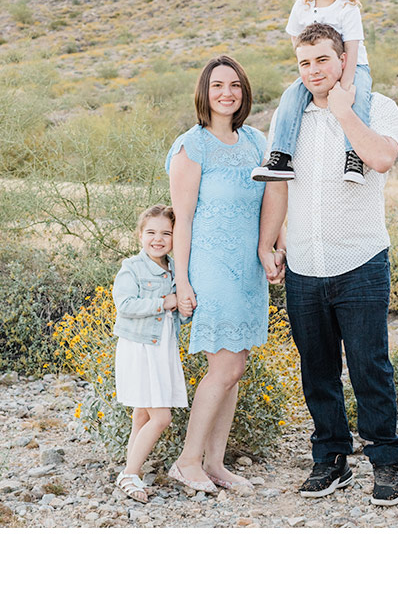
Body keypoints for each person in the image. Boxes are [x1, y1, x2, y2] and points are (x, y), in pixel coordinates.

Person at [258, 22, 398, 505]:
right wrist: (269, 245)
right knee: (316, 369)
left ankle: (385, 461)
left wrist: (345, 114)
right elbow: (278, 185)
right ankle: (331, 460)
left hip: (360, 259)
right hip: (303, 263)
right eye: (304, 62)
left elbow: (381, 158)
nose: (313, 70)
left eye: (322, 59)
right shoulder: (288, 119)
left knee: (369, 367)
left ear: (343, 59)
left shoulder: (377, 107)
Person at [165, 55, 269, 495]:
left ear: (244, 92)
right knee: (223, 366)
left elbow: (272, 202)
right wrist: (183, 280)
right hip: (209, 266)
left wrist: (274, 249)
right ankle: (187, 462)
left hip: (248, 268)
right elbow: (182, 220)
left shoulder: (257, 142)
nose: (227, 93)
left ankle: (215, 464)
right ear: (204, 94)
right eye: (217, 86)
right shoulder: (193, 146)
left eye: (235, 86)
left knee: (236, 367)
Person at [252, 0, 373, 185]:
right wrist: (307, 67)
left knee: (357, 97)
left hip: (352, 66)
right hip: (317, 68)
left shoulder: (347, 9)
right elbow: (296, 39)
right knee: (290, 97)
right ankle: (281, 157)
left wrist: (345, 85)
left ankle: (354, 157)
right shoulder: (302, 6)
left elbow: (352, 47)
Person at [112, 205, 188, 504]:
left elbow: (177, 310)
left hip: (162, 347)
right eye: (151, 232)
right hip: (140, 347)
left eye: (166, 233)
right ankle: (129, 473)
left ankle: (132, 470)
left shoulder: (176, 268)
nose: (158, 239)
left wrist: (183, 308)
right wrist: (164, 302)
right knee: (161, 416)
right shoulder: (132, 267)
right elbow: (126, 305)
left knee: (143, 414)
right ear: (140, 235)